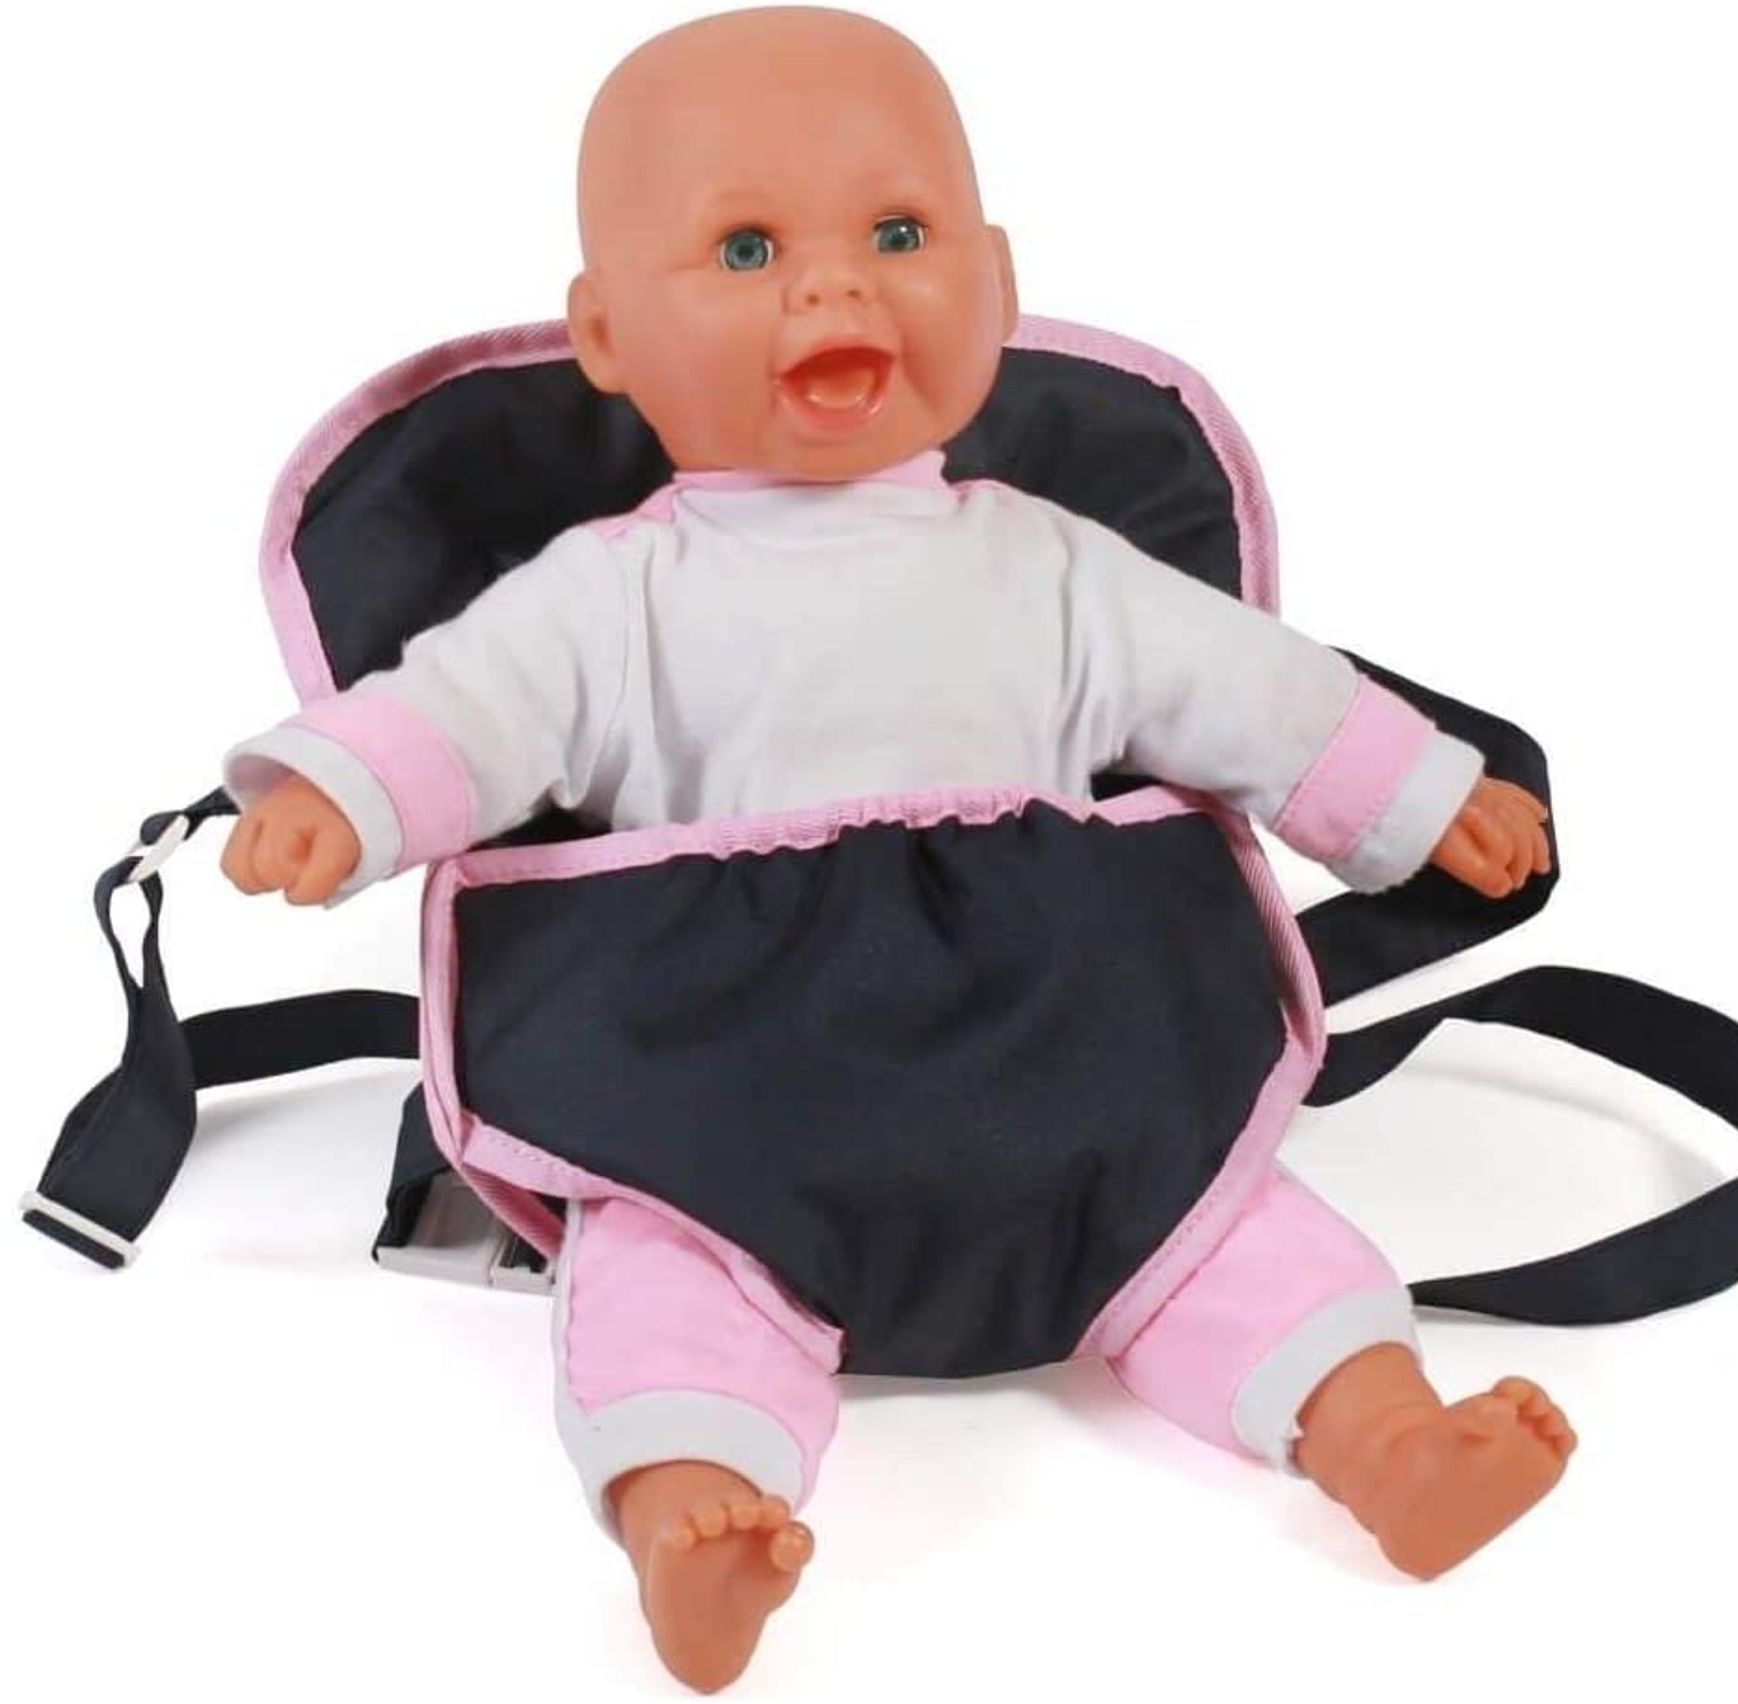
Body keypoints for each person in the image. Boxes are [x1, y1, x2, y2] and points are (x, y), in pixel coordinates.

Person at [219, 8, 1571, 1691]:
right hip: (729, 1106)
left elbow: (1245, 689)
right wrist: (343, 796)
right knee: (666, 1277)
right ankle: (692, 1514)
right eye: (747, 248)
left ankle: (1387, 1440)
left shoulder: (1057, 567)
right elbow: (464, 713)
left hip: (1070, 1076)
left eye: (900, 234)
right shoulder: (607, 598)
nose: (834, 287)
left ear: (996, 283)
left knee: (1233, 1229)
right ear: (607, 336)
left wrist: (1414, 791)